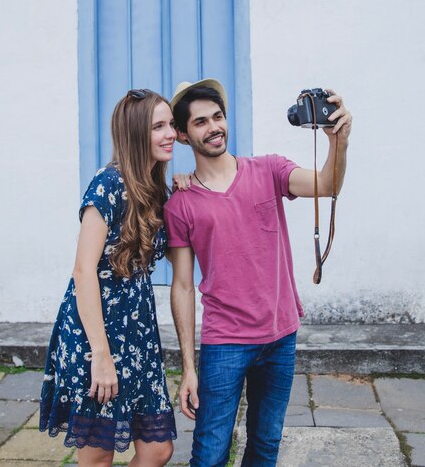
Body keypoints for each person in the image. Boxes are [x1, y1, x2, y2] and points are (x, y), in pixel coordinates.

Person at [164, 78, 352, 467]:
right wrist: (188, 367)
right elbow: (182, 286)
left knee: (265, 445)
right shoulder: (180, 204)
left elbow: (326, 182)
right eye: (200, 122)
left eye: (218, 117)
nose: (214, 126)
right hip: (225, 343)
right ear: (183, 134)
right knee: (210, 453)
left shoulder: (269, 169)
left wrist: (338, 141)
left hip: (281, 336)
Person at [40, 89, 178, 467]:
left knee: (157, 449)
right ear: (135, 134)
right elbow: (83, 270)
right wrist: (99, 355)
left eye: (171, 124)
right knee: (98, 456)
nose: (171, 134)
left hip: (138, 337)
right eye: (158, 127)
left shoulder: (155, 190)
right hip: (97, 335)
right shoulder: (108, 184)